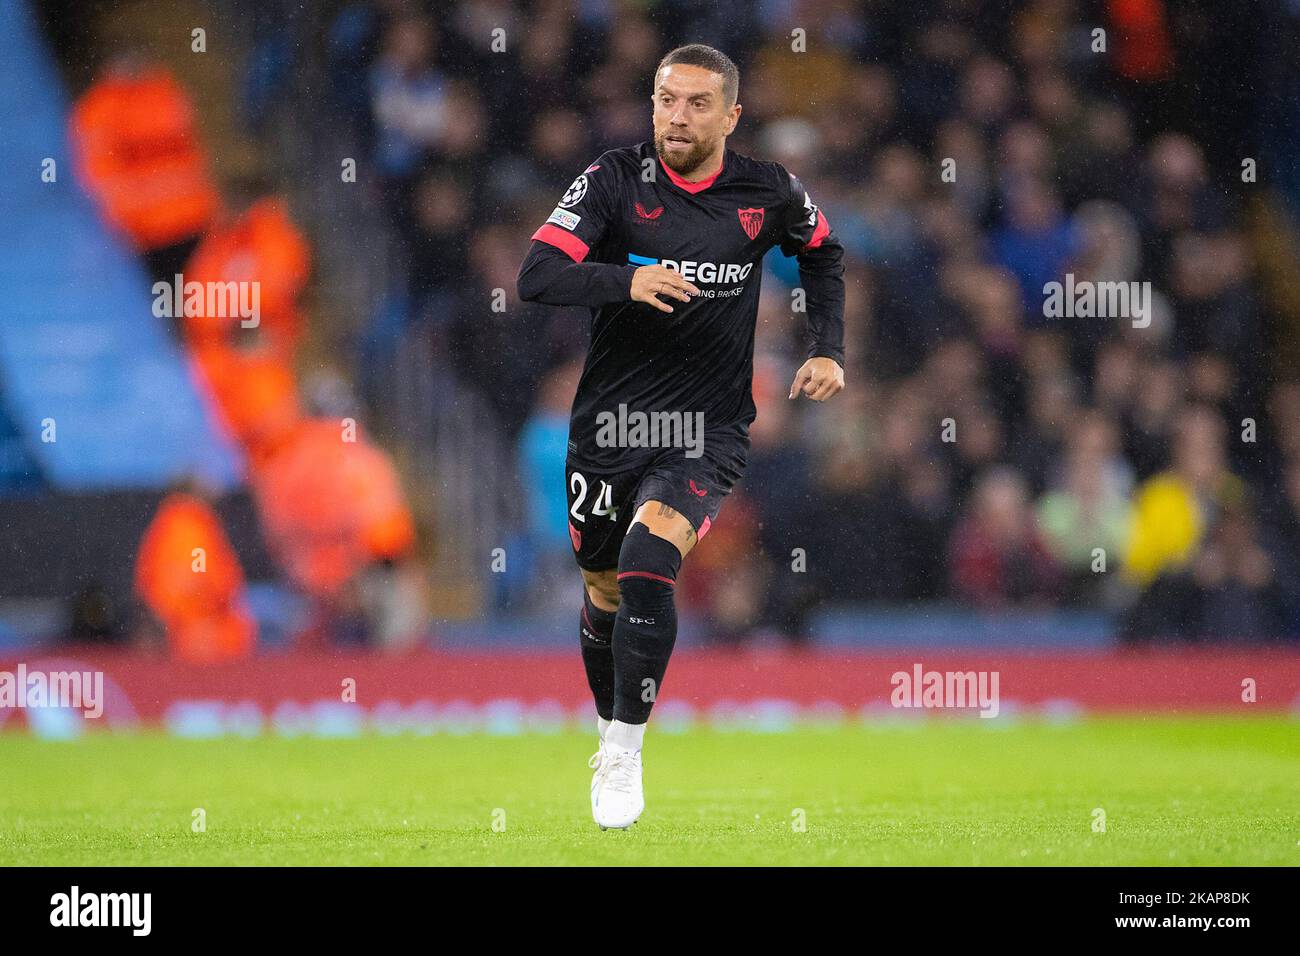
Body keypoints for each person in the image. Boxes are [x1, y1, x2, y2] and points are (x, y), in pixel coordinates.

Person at [516, 44, 845, 829]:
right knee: (600, 592)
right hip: (610, 427)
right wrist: (622, 278)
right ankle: (611, 728)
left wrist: (828, 345)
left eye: (698, 104)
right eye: (666, 100)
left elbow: (824, 250)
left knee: (647, 558)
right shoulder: (612, 181)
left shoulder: (765, 192)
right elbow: (536, 275)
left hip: (707, 428)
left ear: (731, 115)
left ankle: (626, 752)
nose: (677, 117)